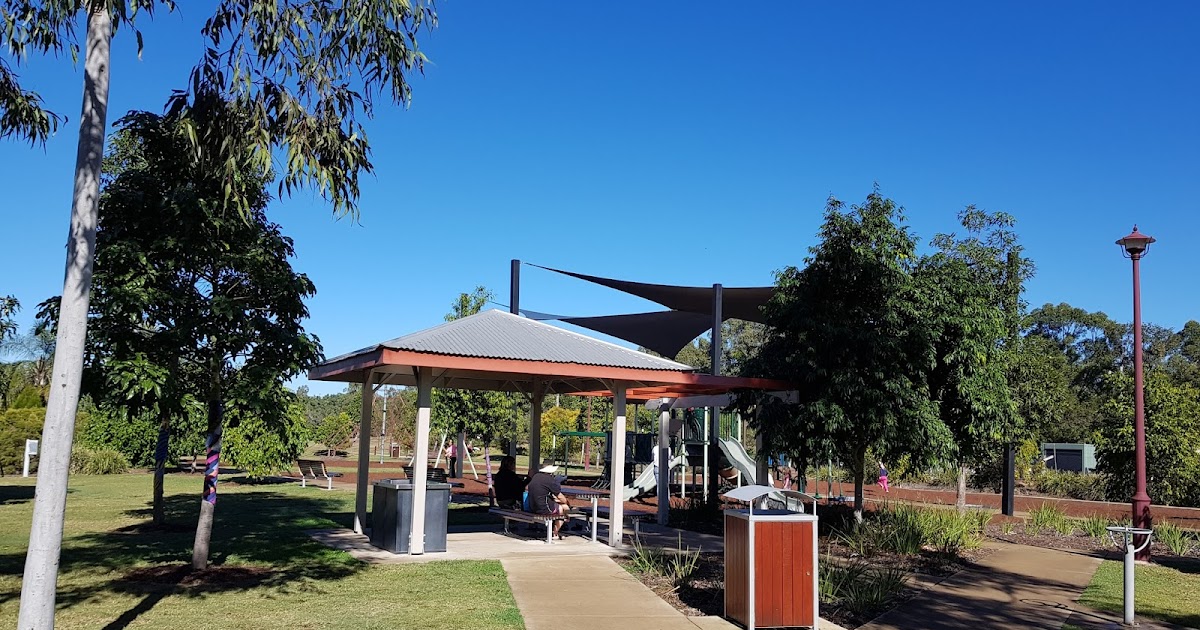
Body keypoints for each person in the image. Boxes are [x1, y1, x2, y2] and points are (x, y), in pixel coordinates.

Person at [526, 459, 570, 539]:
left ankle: (558, 526)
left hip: (533, 507)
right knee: (563, 508)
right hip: (543, 508)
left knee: (558, 507)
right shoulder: (549, 480)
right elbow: (560, 496)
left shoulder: (536, 476)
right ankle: (555, 532)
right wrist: (565, 501)